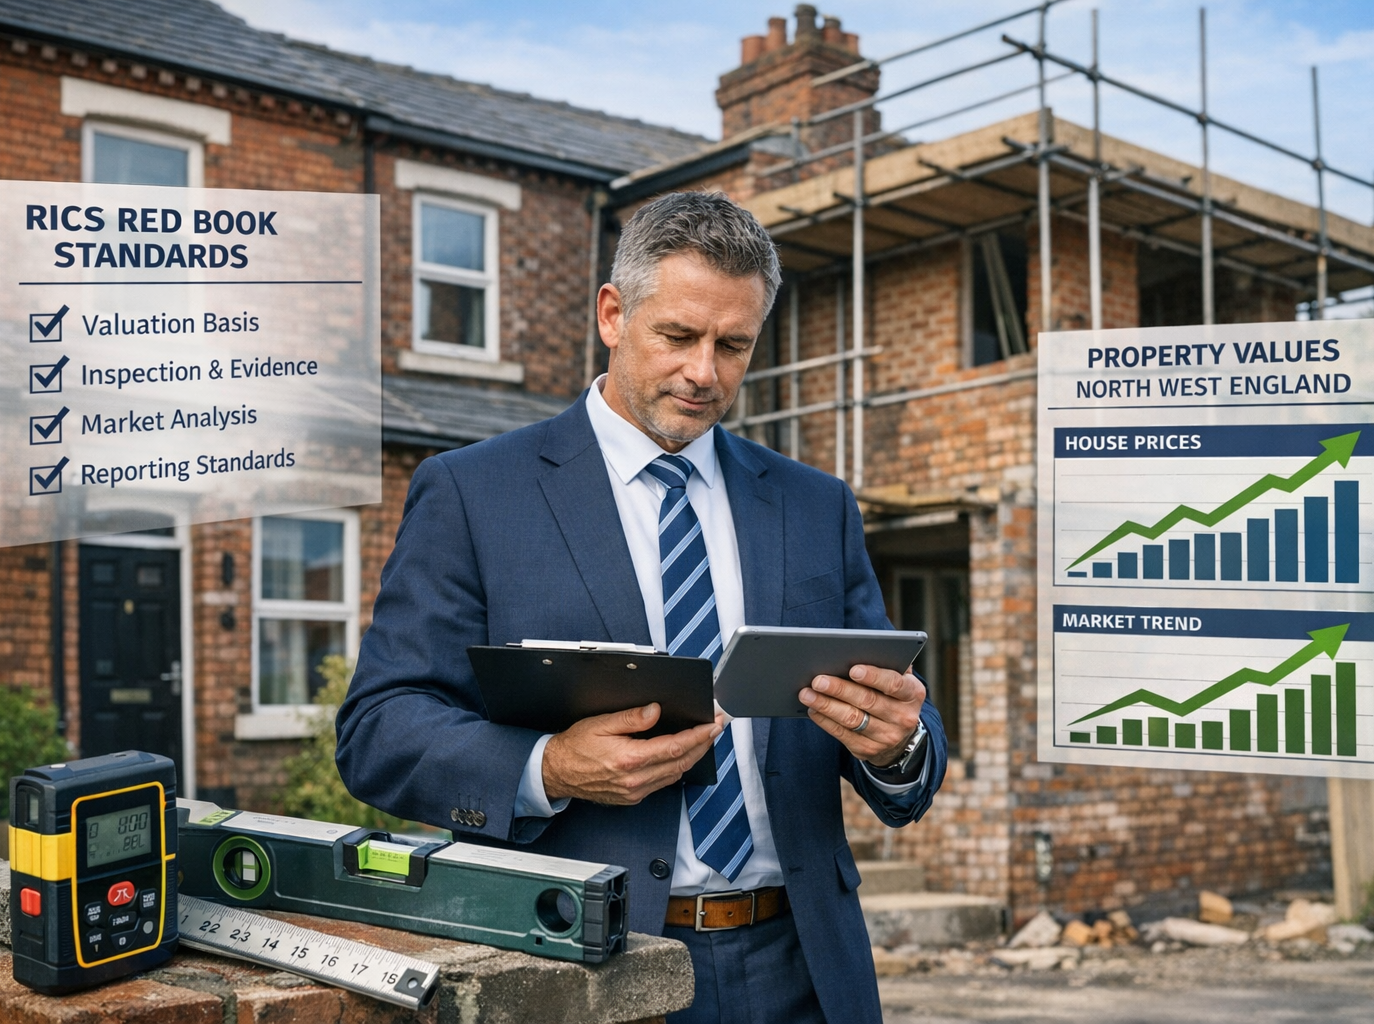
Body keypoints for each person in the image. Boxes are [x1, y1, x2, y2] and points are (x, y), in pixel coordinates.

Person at [337, 191, 947, 1024]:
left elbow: (901, 731)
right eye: (679, 336)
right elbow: (379, 729)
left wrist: (899, 744)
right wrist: (547, 768)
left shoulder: (816, 506)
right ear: (613, 315)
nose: (706, 372)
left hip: (805, 966)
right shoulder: (475, 493)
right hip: (585, 965)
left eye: (734, 345)